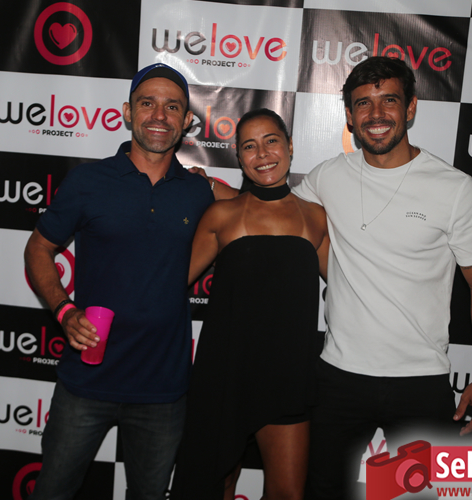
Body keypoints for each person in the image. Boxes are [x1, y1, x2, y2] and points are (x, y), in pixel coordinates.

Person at [293, 57, 472, 499]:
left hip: (421, 381)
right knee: (322, 491)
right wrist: (214, 190)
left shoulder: (453, 187)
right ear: (349, 116)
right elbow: (276, 216)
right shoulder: (327, 176)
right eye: (363, 104)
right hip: (338, 377)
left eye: (389, 101)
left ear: (410, 108)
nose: (376, 114)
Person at [24, 63, 233, 500]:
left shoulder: (198, 191)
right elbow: (38, 248)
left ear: (186, 121)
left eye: (172, 107)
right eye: (147, 104)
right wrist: (64, 311)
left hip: (163, 391)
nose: (159, 116)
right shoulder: (88, 181)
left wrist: (211, 183)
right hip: (86, 381)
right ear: (127, 112)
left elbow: (259, 206)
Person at [171, 108, 330, 500]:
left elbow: (351, 287)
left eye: (271, 141)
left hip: (289, 377)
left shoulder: (316, 217)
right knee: (215, 486)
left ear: (289, 146)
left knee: (288, 493)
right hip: (225, 371)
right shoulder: (220, 215)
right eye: (249, 146)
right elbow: (171, 284)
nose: (262, 154)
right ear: (239, 158)